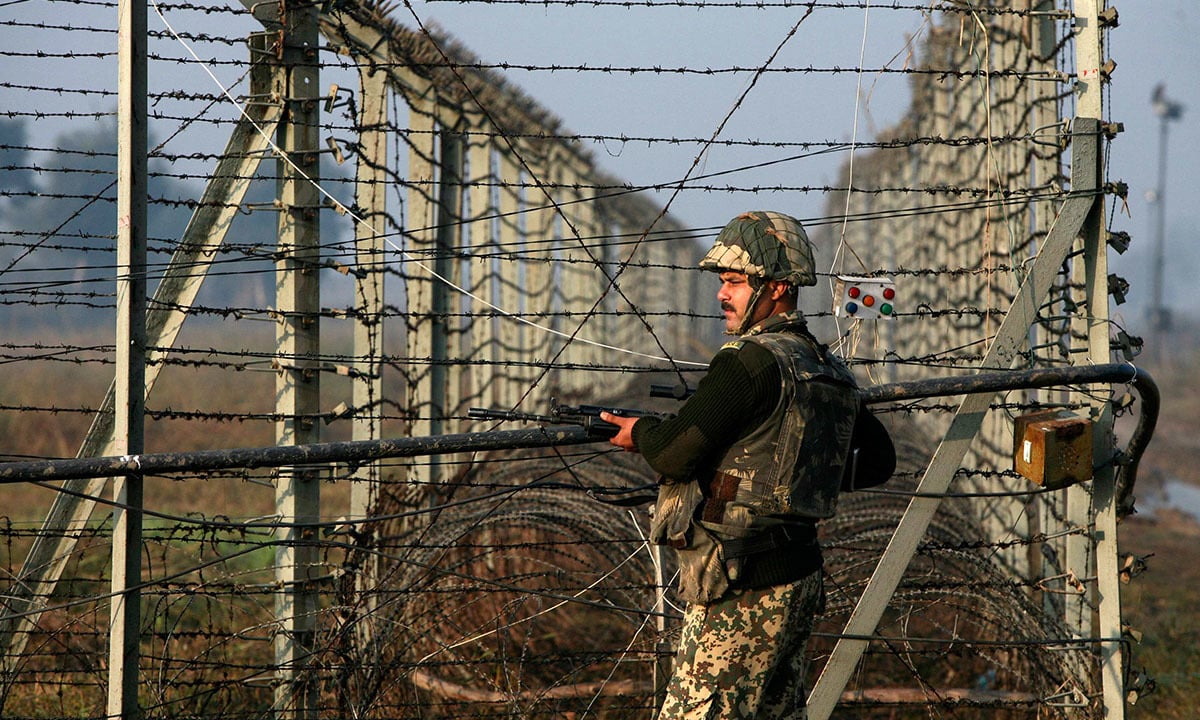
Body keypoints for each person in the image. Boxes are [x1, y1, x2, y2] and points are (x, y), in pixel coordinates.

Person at [601, 210, 860, 719]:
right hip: (799, 577)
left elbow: (676, 449)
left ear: (779, 287)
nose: (723, 294)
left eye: (737, 282)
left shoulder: (749, 361)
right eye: (723, 281)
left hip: (742, 585)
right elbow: (873, 460)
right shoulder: (825, 365)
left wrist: (640, 433)